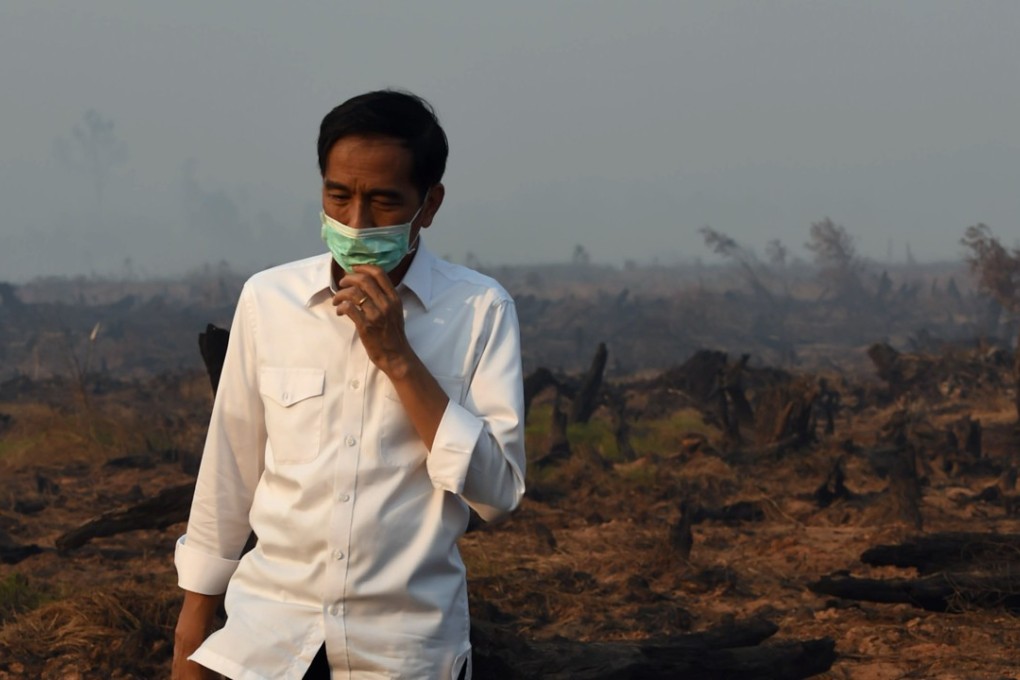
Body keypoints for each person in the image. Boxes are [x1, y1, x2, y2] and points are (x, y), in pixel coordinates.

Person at [172, 90, 526, 680]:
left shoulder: (480, 310)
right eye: (339, 196)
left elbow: (498, 495)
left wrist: (399, 359)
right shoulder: (270, 300)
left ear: (429, 205)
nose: (356, 224)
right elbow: (228, 472)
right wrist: (192, 630)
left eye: (384, 202)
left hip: (404, 651)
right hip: (263, 641)